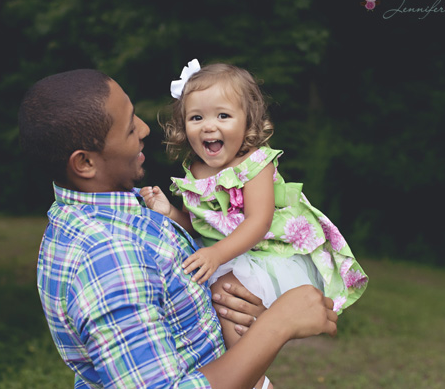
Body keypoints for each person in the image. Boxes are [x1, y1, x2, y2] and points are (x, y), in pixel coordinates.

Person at [18, 68, 338, 389]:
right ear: (85, 163)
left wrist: (234, 305)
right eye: (130, 128)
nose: (144, 129)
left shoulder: (118, 209)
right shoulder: (106, 258)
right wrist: (276, 326)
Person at [141, 60, 367, 350]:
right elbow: (198, 226)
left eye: (223, 115)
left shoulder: (255, 164)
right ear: (183, 126)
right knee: (200, 296)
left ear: (247, 122)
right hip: (224, 253)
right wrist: (169, 212)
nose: (209, 126)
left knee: (225, 294)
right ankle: (232, 362)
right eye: (196, 118)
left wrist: (216, 255)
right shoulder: (194, 172)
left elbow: (258, 222)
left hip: (267, 253)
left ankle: (248, 373)